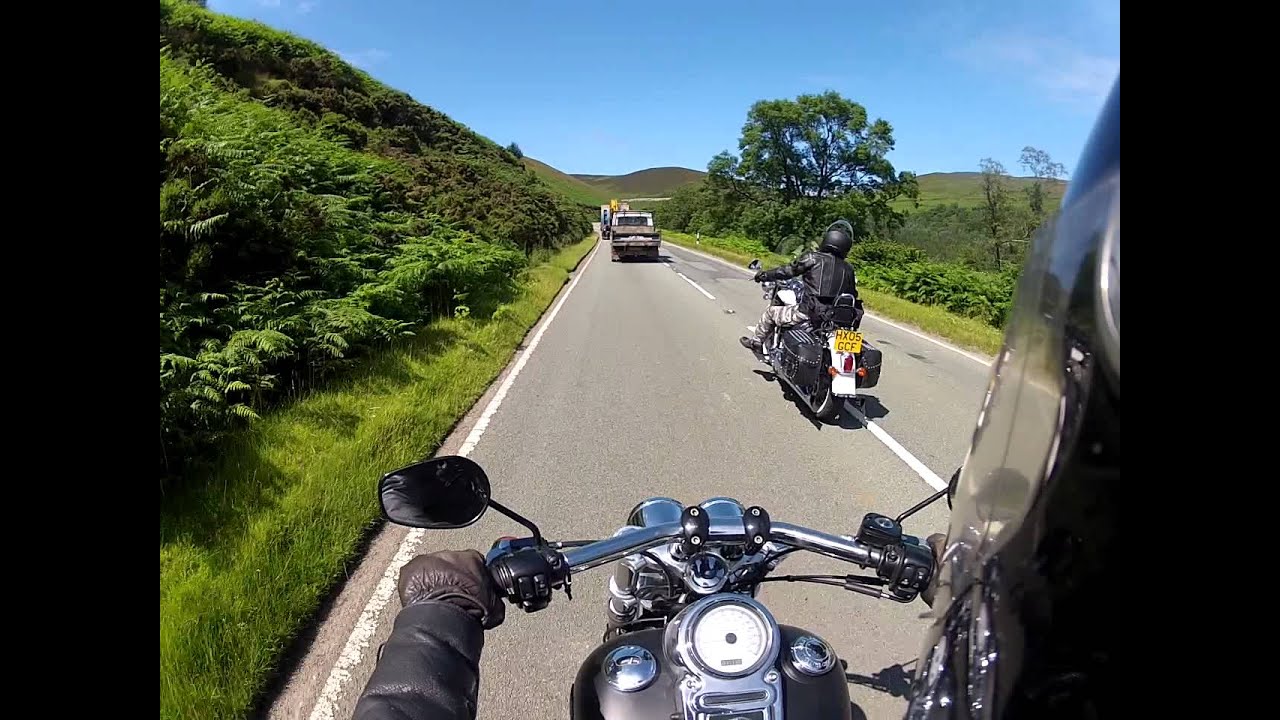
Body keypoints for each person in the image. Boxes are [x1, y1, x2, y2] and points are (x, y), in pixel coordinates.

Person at [354, 75, 1119, 720]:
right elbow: (836, 300)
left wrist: (439, 605)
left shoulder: (814, 263)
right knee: (791, 335)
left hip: (811, 335)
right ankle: (802, 370)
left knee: (785, 330)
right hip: (834, 338)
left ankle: (793, 367)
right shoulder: (846, 275)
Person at [738, 220, 861, 353]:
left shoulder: (812, 258)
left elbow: (787, 271)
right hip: (838, 319)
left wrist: (765, 275)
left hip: (810, 313)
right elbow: (853, 294)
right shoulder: (849, 269)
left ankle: (757, 342)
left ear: (826, 240)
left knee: (771, 312)